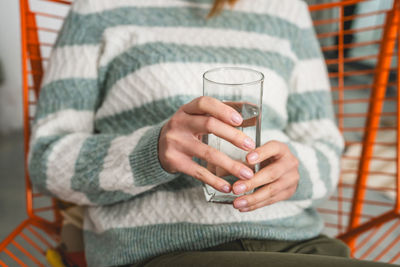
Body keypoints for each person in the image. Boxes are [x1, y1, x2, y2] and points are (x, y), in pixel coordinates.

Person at [28, 0, 394, 266]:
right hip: (162, 251)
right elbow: (46, 161)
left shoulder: (286, 10)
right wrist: (151, 153)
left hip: (302, 244)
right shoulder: (96, 9)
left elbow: (327, 150)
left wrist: (293, 172)